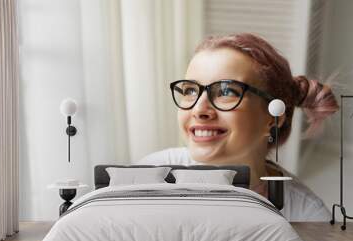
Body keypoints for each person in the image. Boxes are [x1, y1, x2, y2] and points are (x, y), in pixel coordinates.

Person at [137, 33, 339, 222]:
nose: (199, 110)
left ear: (274, 118)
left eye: (226, 91)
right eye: (190, 90)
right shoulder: (147, 177)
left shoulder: (308, 218)